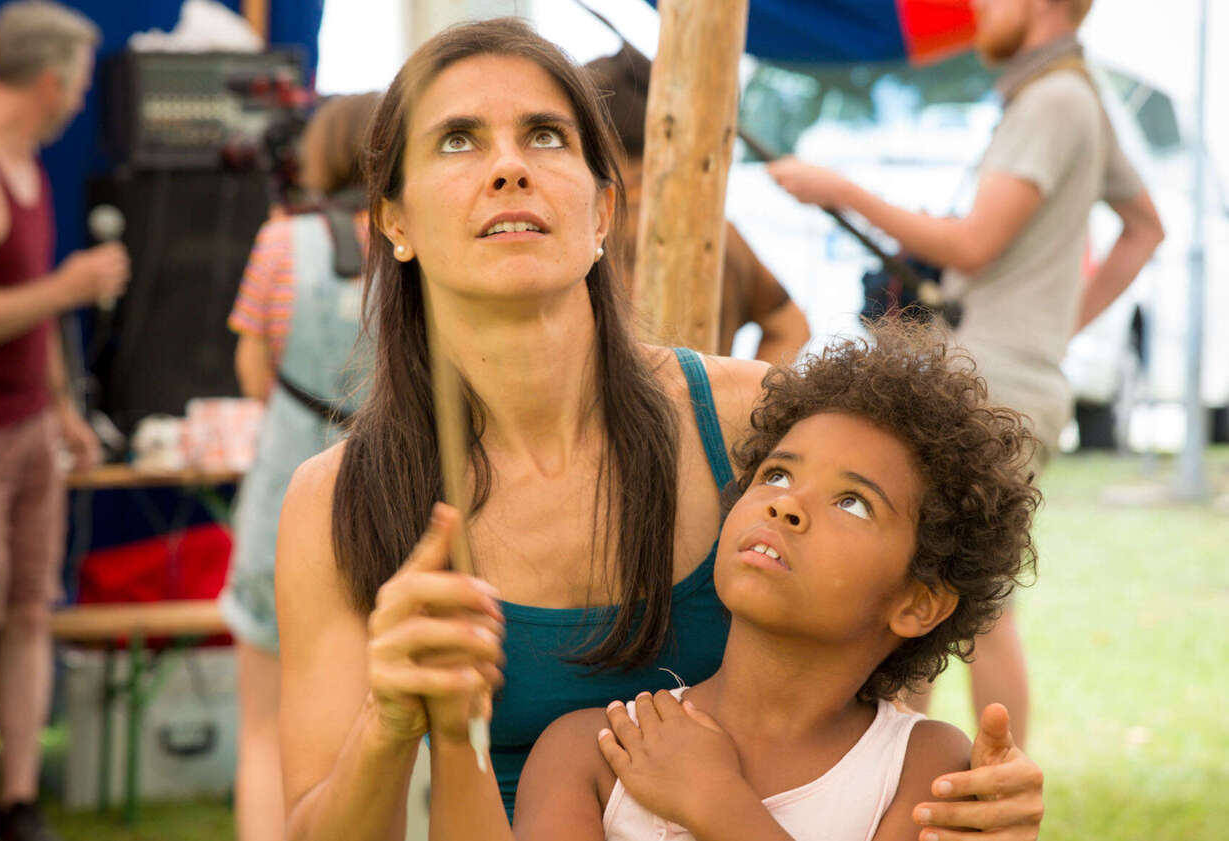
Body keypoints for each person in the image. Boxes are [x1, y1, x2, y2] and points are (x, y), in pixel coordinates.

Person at [274, 19, 1044, 841]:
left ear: (603, 208)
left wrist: (968, 801)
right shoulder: (338, 500)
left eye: (544, 135)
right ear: (395, 221)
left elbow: (882, 678)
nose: (508, 166)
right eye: (458, 140)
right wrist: (389, 725)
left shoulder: (756, 424)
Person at [426, 321, 1041, 841]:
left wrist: (721, 806)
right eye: (775, 475)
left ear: (918, 602)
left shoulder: (924, 768)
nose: (786, 505)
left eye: (852, 502)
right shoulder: (591, 752)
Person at [766, 0, 1165, 748]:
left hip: (995, 385)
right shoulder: (1074, 92)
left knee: (971, 600)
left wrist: (841, 190)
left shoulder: (1054, 99)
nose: (975, 8)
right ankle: (904, 769)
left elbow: (976, 245)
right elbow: (1145, 229)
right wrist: (1055, 326)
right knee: (933, 585)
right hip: (1013, 373)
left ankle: (990, 782)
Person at [0, 3, 128, 840]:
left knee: (32, 609)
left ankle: (17, 803)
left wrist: (63, 408)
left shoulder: (23, 165)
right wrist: (67, 288)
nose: (80, 103)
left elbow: (33, 318)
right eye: (79, 85)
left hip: (27, 432)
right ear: (49, 81)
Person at [220, 91, 379, 841]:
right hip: (390, 498)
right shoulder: (421, 241)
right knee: (385, 729)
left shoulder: (280, 242)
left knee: (263, 728)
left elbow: (254, 374)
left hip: (285, 489)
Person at [586, 45, 811, 365]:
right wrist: (742, 407)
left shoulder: (589, 232)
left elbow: (790, 327)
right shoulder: (719, 233)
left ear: (596, 135)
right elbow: (791, 326)